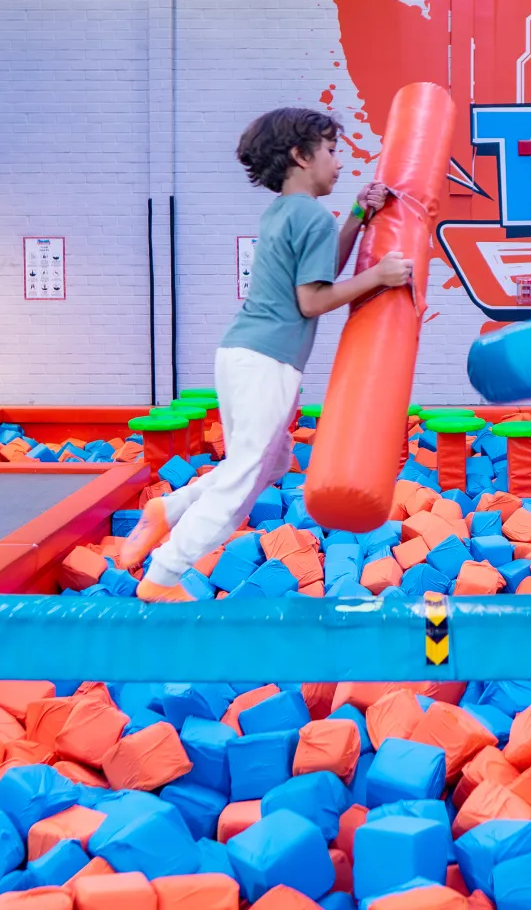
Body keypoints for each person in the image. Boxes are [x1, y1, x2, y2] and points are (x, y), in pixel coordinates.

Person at [125, 106, 413, 601]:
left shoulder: (286, 211)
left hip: (241, 353)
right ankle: (163, 576)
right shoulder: (312, 218)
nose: (339, 163)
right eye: (330, 151)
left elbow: (318, 270)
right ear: (301, 156)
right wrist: (378, 277)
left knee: (269, 464)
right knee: (242, 483)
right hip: (268, 362)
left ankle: (168, 511)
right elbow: (313, 299)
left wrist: (359, 217)